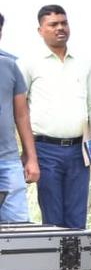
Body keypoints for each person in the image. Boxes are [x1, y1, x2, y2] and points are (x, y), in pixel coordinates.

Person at [19, 5, 91, 229]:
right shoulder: (29, 63)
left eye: (63, 23)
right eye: (53, 24)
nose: (60, 28)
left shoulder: (83, 63)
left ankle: (77, 265)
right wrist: (29, 155)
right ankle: (53, 265)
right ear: (41, 30)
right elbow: (20, 110)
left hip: (79, 150)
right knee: (53, 218)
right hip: (45, 150)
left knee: (77, 216)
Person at [1, 38, 38, 222]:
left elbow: (22, 115)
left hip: (7, 162)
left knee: (18, 228)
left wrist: (31, 158)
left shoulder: (10, 65)